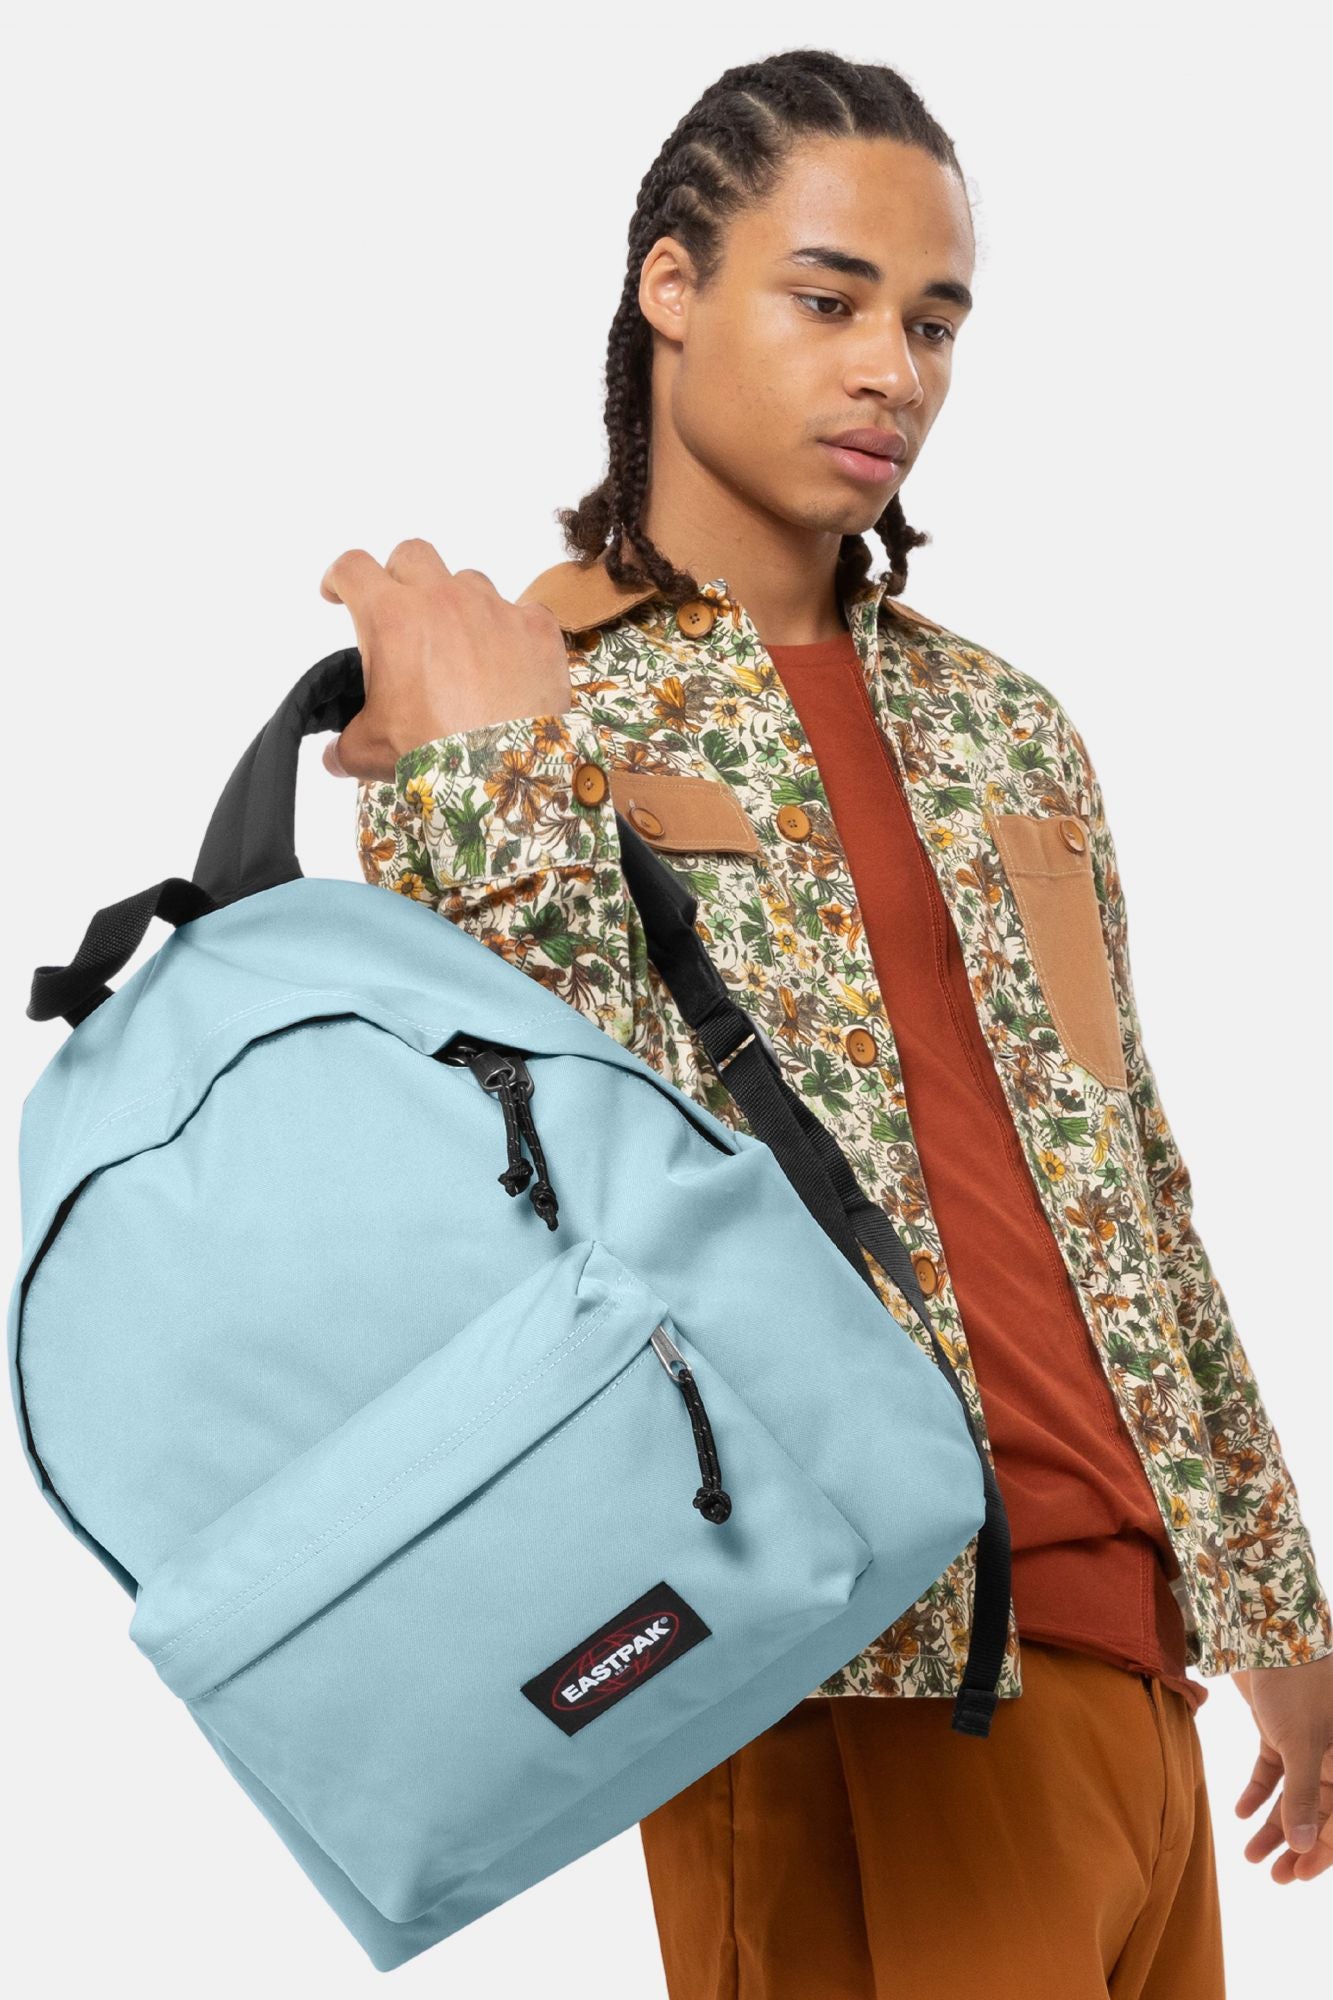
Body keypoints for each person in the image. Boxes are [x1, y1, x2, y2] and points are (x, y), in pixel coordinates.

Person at [319, 45, 1332, 1999]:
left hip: (1126, 1660)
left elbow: (1131, 1179)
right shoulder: (516, 712)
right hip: (850, 1658)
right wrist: (468, 784)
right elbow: (531, 1191)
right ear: (670, 287)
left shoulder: (1004, 726)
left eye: (932, 322)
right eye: (828, 299)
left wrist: (1271, 1602)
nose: (893, 371)